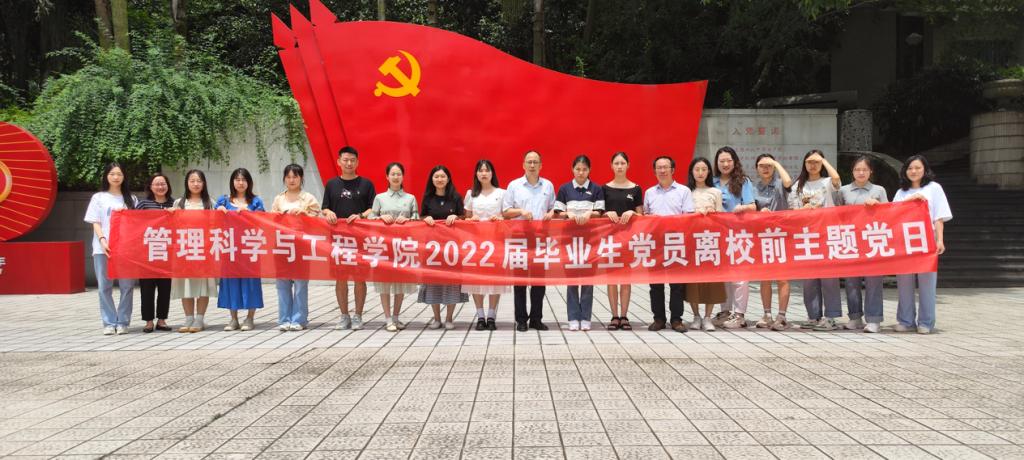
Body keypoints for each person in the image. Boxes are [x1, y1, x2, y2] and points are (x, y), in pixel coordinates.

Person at [893, 155, 951, 334]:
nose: (913, 171)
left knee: (927, 283)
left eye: (917, 168)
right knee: (904, 282)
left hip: (927, 239)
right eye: (910, 168)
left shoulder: (934, 188)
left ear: (925, 169)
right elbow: (893, 213)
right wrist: (909, 201)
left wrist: (939, 239)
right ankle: (906, 321)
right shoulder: (901, 192)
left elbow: (938, 217)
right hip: (904, 240)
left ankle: (926, 322)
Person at [321, 146, 376, 330]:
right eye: (345, 160)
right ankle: (344, 316)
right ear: (339, 162)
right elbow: (325, 207)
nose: (349, 163)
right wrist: (328, 212)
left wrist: (361, 216)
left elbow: (373, 208)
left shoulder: (366, 184)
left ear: (357, 162)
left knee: (360, 278)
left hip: (360, 238)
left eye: (352, 160)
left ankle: (358, 315)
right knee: (341, 278)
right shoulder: (331, 184)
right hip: (338, 239)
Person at [789, 149, 844, 331]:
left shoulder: (827, 182)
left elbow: (837, 179)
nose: (813, 165)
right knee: (809, 279)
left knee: (829, 278)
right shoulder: (798, 185)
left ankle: (831, 317)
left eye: (816, 162)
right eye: (809, 162)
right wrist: (803, 211)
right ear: (804, 164)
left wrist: (824, 160)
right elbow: (792, 210)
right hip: (807, 236)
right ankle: (813, 316)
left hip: (827, 234)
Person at [503, 150, 555, 332]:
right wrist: (521, 212)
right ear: (523, 165)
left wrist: (551, 213)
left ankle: (536, 319)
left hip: (540, 238)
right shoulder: (514, 185)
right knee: (520, 281)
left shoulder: (548, 185)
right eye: (529, 162)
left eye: (535, 162)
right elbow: (505, 212)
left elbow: (553, 208)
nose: (532, 165)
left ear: (541, 165)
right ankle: (521, 320)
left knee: (539, 281)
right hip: (519, 238)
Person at [85, 162, 138, 335]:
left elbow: (136, 224)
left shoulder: (131, 199)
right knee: (104, 286)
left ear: (124, 177)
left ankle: (122, 321)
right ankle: (108, 322)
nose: (116, 177)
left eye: (119, 174)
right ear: (106, 176)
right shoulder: (98, 197)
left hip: (125, 249)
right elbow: (95, 221)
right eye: (112, 174)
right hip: (103, 248)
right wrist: (102, 240)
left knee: (127, 286)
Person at [643, 155, 694, 333]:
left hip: (676, 242)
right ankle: (658, 319)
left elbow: (688, 217)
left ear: (672, 170)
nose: (662, 170)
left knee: (677, 284)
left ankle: (676, 319)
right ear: (654, 171)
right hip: (655, 243)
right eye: (659, 167)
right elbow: (645, 217)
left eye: (665, 167)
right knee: (655, 284)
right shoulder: (649, 192)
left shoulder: (683, 191)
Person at [837, 156, 889, 333]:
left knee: (874, 280)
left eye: (864, 170)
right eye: (857, 169)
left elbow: (889, 214)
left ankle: (874, 319)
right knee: (851, 281)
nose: (861, 173)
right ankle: (855, 317)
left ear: (870, 172)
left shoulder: (879, 190)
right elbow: (836, 215)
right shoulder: (843, 191)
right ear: (852, 172)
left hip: (873, 239)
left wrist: (878, 205)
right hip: (850, 240)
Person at [554, 155, 605, 331]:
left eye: (584, 169)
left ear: (589, 170)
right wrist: (567, 214)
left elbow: (600, 211)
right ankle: (573, 317)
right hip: (569, 241)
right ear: (572, 169)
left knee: (588, 281)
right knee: (572, 281)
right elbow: (558, 212)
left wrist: (590, 214)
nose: (581, 172)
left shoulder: (596, 189)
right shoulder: (565, 189)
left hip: (591, 241)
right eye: (578, 169)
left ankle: (586, 318)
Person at [271, 164, 322, 331]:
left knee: (300, 284)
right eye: (288, 177)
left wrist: (304, 214)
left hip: (301, 245)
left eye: (295, 177)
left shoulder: (308, 198)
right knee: (282, 284)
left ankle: (299, 319)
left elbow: (318, 220)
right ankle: (284, 319)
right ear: (284, 179)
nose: (291, 180)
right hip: (282, 245)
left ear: (301, 178)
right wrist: (280, 216)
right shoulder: (279, 199)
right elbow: (270, 219)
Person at [369, 162, 419, 332]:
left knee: (400, 283)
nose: (396, 177)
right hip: (384, 246)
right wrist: (380, 218)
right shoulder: (380, 198)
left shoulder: (410, 198)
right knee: (384, 283)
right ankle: (387, 318)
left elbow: (417, 219)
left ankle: (396, 317)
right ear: (387, 177)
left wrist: (408, 220)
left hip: (403, 245)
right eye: (393, 174)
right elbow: (370, 218)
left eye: (399, 174)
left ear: (403, 177)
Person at [215, 168, 266, 332]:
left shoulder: (256, 202)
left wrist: (249, 213)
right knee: (230, 283)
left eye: (244, 179)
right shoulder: (223, 201)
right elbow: (212, 220)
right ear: (232, 182)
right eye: (237, 179)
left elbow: (263, 221)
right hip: (229, 248)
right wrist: (217, 212)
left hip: (250, 248)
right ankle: (233, 319)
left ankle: (250, 318)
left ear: (249, 182)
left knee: (251, 282)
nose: (240, 183)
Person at [712, 147, 757, 329]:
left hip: (738, 235)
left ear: (735, 161)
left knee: (739, 276)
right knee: (723, 275)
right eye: (721, 161)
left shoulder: (743, 181)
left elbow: (752, 206)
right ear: (716, 163)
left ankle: (739, 314)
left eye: (729, 160)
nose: (725, 164)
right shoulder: (712, 182)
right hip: (717, 236)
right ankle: (725, 311)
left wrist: (741, 208)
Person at [419, 165, 468, 330]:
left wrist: (457, 217)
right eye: (436, 177)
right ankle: (436, 318)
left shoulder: (456, 197)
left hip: (451, 247)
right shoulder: (427, 198)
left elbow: (463, 217)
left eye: (442, 176)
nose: (439, 179)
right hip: (432, 247)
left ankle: (449, 318)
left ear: (448, 179)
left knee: (451, 282)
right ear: (432, 180)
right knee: (433, 281)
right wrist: (425, 219)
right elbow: (421, 216)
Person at [463, 159, 508, 331]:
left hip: (496, 242)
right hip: (476, 243)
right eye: (480, 170)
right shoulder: (471, 194)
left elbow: (507, 216)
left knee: (495, 279)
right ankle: (480, 315)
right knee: (476, 279)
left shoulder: (502, 193)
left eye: (487, 170)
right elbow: (466, 218)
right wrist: (470, 219)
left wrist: (500, 218)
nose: (484, 173)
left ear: (492, 173)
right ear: (476, 174)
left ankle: (491, 315)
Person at [171, 169, 218, 333]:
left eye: (199, 181)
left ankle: (199, 319)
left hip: (204, 250)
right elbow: (173, 226)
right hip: (184, 250)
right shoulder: (179, 203)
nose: (196, 184)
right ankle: (188, 318)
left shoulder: (210, 203)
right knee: (186, 284)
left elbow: (215, 226)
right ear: (187, 183)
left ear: (204, 183)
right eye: (192, 181)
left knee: (203, 285)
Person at [601, 152, 642, 331]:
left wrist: (632, 212)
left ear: (628, 165)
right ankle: (614, 316)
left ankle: (624, 316)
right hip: (609, 240)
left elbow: (641, 215)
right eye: (616, 163)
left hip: (628, 240)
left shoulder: (636, 189)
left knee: (625, 279)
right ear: (611, 166)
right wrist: (606, 213)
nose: (619, 166)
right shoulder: (604, 188)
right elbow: (598, 212)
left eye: (622, 163)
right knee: (611, 279)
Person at [685, 157, 727, 331]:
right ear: (692, 172)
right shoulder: (686, 192)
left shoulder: (715, 192)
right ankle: (696, 316)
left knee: (712, 279)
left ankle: (708, 317)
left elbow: (722, 217)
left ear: (709, 171)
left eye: (704, 169)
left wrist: (713, 212)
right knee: (692, 280)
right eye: (697, 169)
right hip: (691, 241)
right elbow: (682, 215)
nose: (700, 173)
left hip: (710, 241)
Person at [753, 153, 793, 331]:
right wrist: (758, 212)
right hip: (762, 237)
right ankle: (767, 314)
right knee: (765, 277)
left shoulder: (779, 184)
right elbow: (750, 209)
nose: (765, 168)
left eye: (769, 165)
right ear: (756, 168)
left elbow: (788, 182)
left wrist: (776, 163)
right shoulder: (754, 188)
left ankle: (781, 316)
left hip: (782, 235)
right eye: (762, 165)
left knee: (782, 278)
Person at [135, 173, 174, 333]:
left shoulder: (174, 203)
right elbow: (133, 223)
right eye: (156, 184)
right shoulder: (143, 204)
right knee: (147, 289)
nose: (160, 187)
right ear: (150, 187)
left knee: (165, 288)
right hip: (147, 254)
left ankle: (162, 320)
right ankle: (149, 321)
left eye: (163, 183)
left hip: (167, 253)